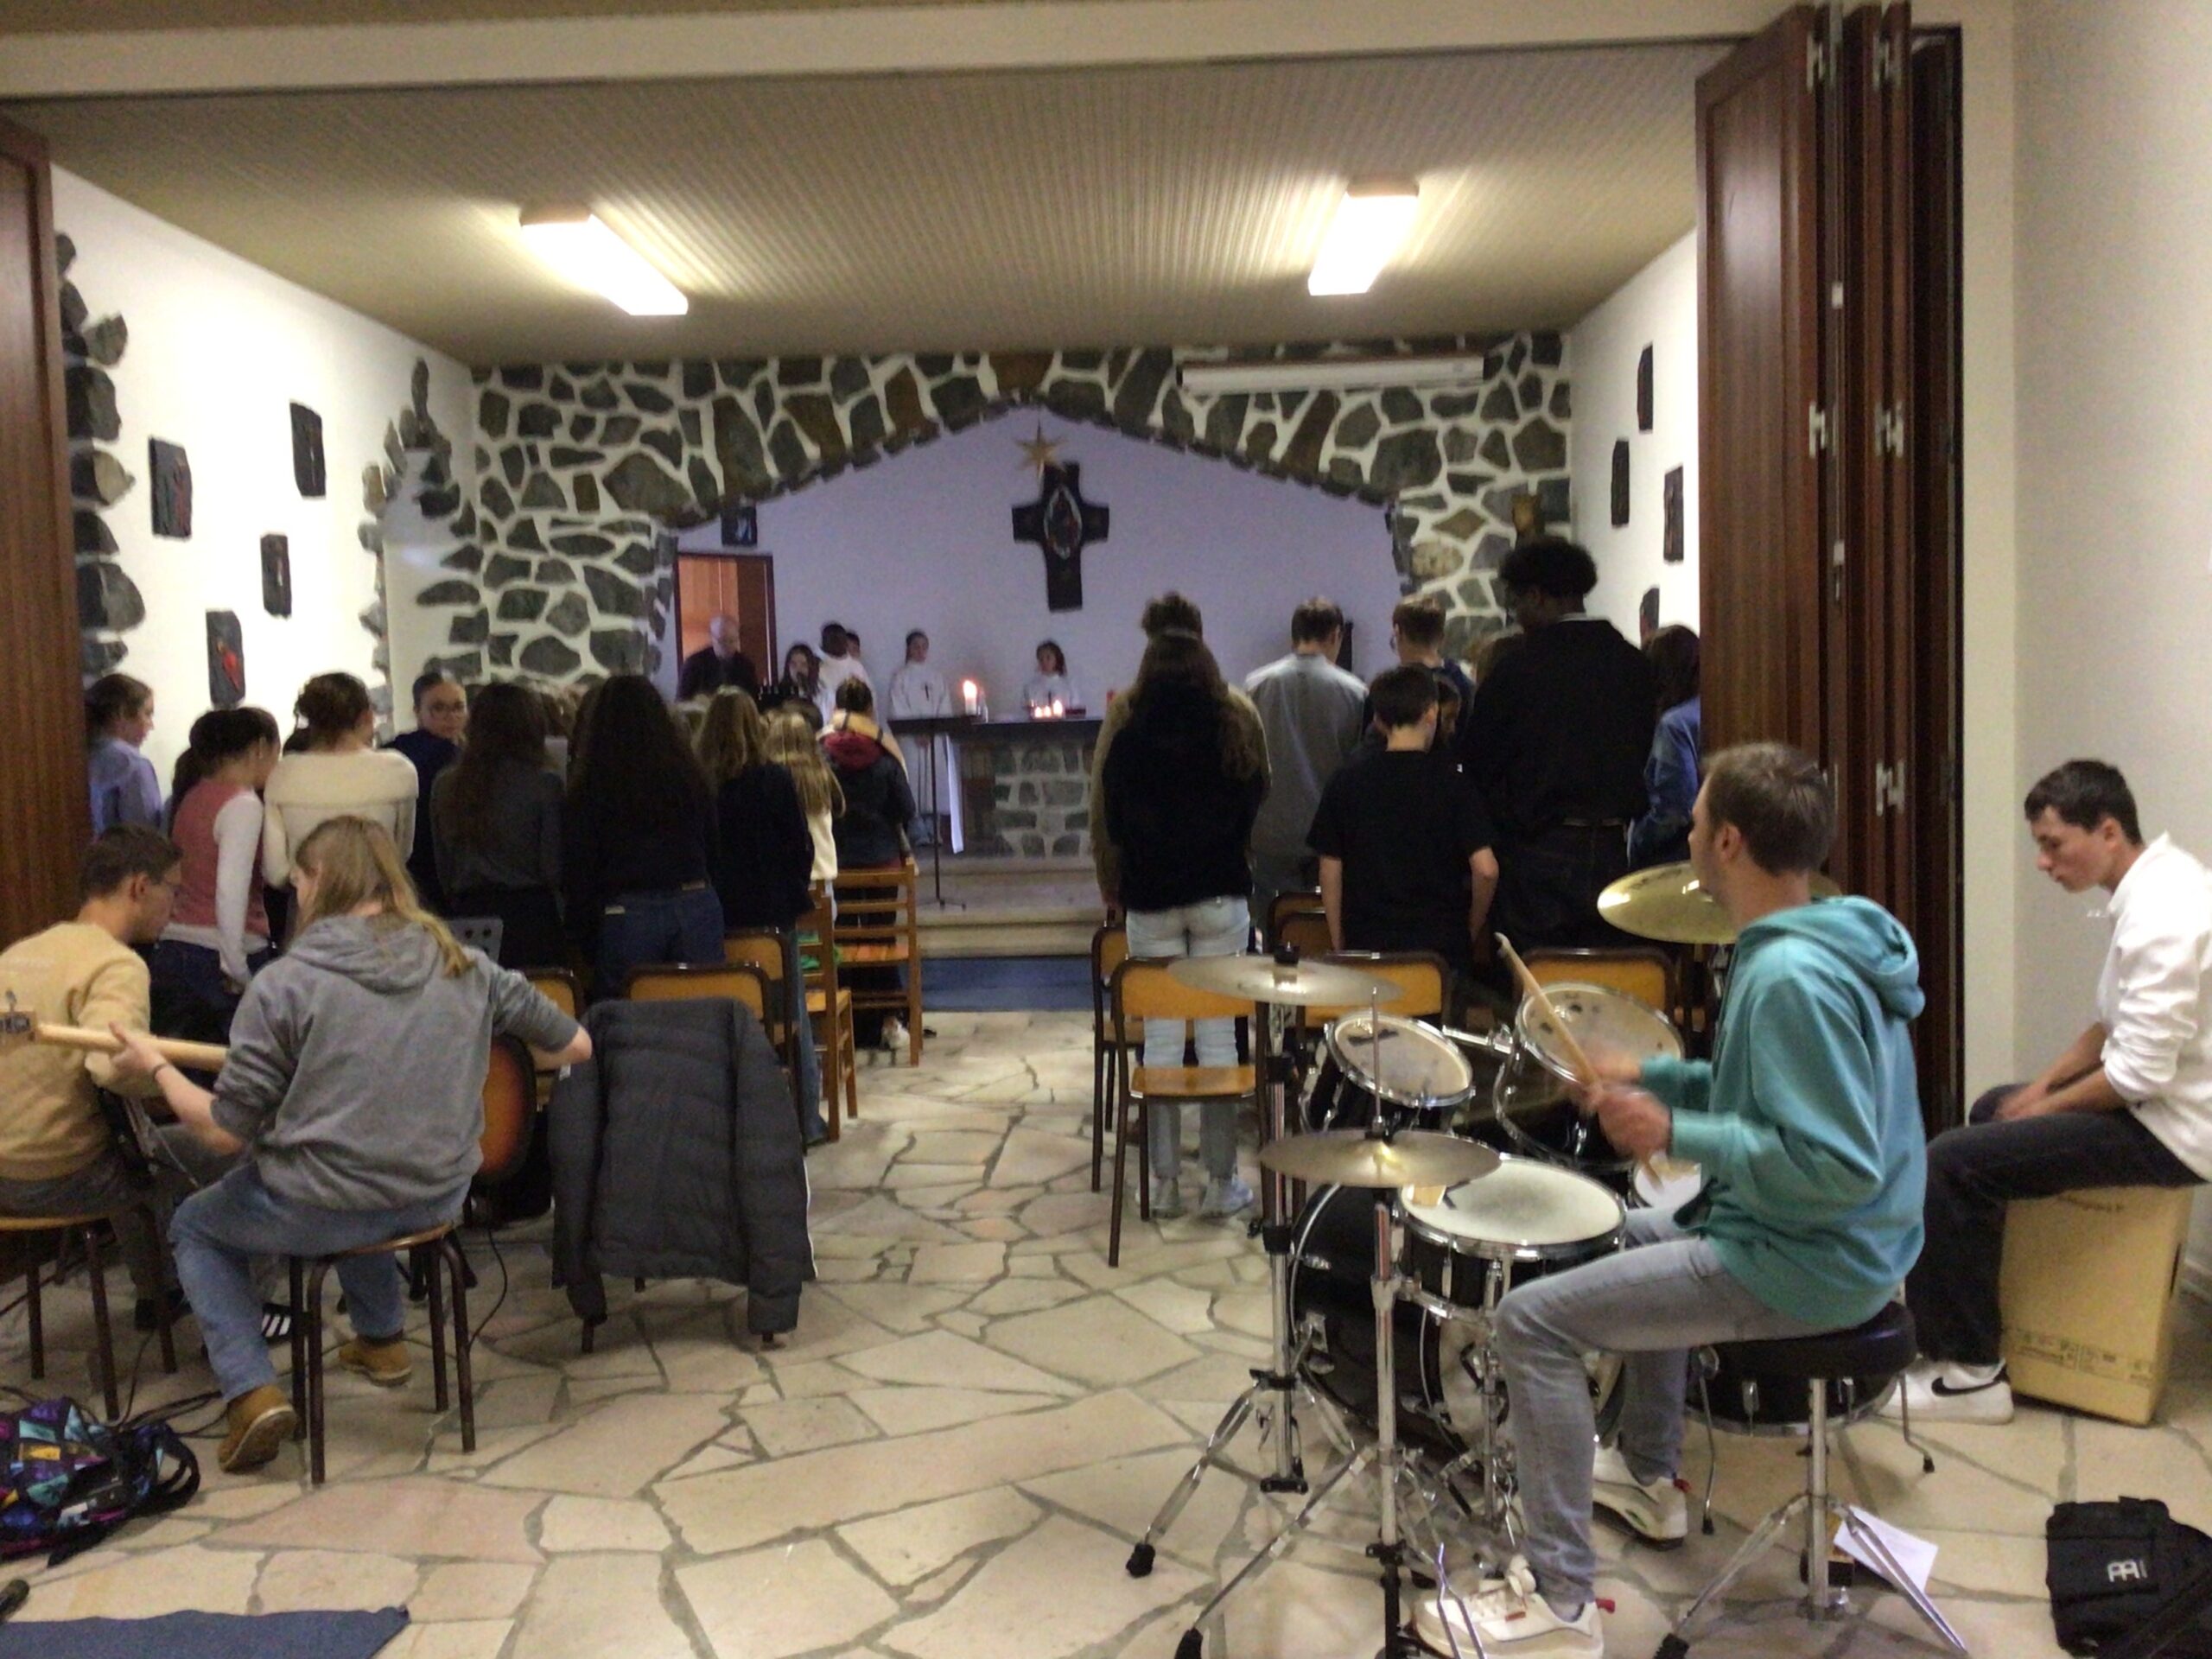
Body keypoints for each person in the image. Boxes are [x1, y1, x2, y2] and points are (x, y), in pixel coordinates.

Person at [1421, 745, 1927, 1656]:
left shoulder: (1787, 979)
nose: (1684, 835)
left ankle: (1561, 1603)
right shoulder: (1830, 932)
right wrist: (1648, 1075)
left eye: (1694, 822)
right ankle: (1650, 1475)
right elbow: (1764, 1090)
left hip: (1807, 1258)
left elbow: (1835, 1163)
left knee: (1532, 1323)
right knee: (1624, 1231)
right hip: (1832, 1239)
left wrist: (1672, 1133)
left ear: (1727, 842)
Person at [109, 817, 588, 1472]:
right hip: (435, 1198)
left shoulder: (284, 984)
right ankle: (383, 1338)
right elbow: (575, 1044)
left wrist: (156, 1068)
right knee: (360, 1155)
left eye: (299, 881)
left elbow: (222, 1129)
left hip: (324, 1202)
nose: (296, 895)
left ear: (321, 882)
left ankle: (251, 1392)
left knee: (198, 1225)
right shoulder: (466, 965)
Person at [1885, 760, 2211, 1426]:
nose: (2043, 861)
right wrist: (2034, 1090)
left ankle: (1969, 1372)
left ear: (2110, 831)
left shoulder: (2166, 914)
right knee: (1988, 1112)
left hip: (2174, 1130)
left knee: (1953, 1160)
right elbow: (2110, 1028)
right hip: (2153, 1102)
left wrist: (2042, 1108)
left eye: (2053, 844)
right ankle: (1975, 1323)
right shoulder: (2150, 887)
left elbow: (2136, 1076)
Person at [1100, 630, 1268, 1221]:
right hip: (1219, 890)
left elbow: (1114, 821)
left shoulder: (1129, 739)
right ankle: (1221, 1181)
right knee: (1220, 1033)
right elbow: (1255, 801)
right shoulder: (1231, 729)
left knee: (1165, 1038)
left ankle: (1164, 1182)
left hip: (1151, 895)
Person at [0, 827, 193, 1314]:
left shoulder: (19, 954)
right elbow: (114, 1069)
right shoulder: (115, 965)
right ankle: (235, 1315)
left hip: (3, 1173)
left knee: (130, 1141)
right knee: (229, 1151)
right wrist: (171, 1079)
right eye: (174, 889)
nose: (176, 905)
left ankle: (160, 1293)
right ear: (139, 888)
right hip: (60, 1177)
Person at [1459, 538, 1656, 953]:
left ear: (1537, 595)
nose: (1516, 615)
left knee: (1537, 987)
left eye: (1516, 601)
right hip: (1612, 850)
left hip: (1539, 853)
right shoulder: (1633, 664)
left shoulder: (1517, 669)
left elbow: (1478, 763)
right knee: (1602, 984)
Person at [1307, 666, 1497, 982]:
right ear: (1432, 713)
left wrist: (1340, 940)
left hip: (1368, 947)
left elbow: (1329, 867)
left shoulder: (1347, 780)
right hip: (1437, 955)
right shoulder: (1455, 784)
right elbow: (1487, 869)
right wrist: (1469, 931)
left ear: (1380, 721)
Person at [1090, 592, 1266, 916]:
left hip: (1148, 890)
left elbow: (1103, 804)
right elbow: (1260, 788)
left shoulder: (1126, 710)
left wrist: (1109, 878)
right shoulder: (1238, 708)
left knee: (1154, 969)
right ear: (1201, 641)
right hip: (1220, 885)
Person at [701, 689, 825, 1141]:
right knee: (792, 1017)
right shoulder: (773, 780)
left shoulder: (702, 785)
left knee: (725, 1018)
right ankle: (806, 1120)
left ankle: (734, 1125)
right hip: (772, 915)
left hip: (718, 917)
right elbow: (799, 846)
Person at [563, 673, 723, 995]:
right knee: (702, 1014)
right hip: (693, 898)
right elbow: (712, 842)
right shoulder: (687, 774)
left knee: (629, 1022)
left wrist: (584, 935)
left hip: (628, 908)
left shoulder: (593, 783)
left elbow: (581, 864)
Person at [149, 707, 283, 1039]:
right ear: (259, 749)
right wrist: (236, 965)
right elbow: (231, 889)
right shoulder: (243, 804)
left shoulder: (193, 796)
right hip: (220, 954)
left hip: (174, 944)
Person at [1243, 598, 1368, 920]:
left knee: (1275, 931)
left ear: (1294, 635)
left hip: (1271, 832)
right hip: (1329, 836)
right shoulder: (1355, 692)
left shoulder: (1256, 686)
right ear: (1335, 635)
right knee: (1324, 932)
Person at [430, 683, 565, 969]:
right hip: (531, 916)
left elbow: (444, 867)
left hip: (468, 916)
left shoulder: (446, 784)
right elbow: (553, 867)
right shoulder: (545, 784)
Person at [823, 679, 917, 1052]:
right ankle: (888, 1019)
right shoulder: (884, 753)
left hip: (840, 860)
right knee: (880, 937)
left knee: (843, 937)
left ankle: (852, 1023)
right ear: (870, 709)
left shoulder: (822, 753)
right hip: (881, 858)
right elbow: (906, 809)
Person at [263, 673, 419, 891]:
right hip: (378, 903)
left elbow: (276, 871)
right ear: (367, 716)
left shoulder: (283, 775)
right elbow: (401, 854)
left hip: (311, 908)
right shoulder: (399, 771)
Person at [384, 673, 467, 910]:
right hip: (431, 867)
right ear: (417, 711)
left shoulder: (390, 750)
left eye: (458, 707)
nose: (451, 717)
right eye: (438, 708)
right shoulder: (448, 756)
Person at [1629, 626, 1703, 869]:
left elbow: (1675, 807)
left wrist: (1636, 840)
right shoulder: (1713, 710)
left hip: (1673, 858)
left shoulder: (1674, 724)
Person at [765, 709, 842, 891]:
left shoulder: (770, 777)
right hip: (823, 873)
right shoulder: (822, 773)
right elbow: (838, 808)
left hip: (784, 877)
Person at [86, 672, 162, 835]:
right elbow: (146, 834)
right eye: (147, 714)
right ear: (120, 714)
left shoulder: (77, 754)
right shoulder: (132, 764)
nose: (151, 725)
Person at [677, 613, 761, 702]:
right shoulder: (694, 665)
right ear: (711, 637)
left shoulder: (746, 666)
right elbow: (682, 703)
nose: (727, 646)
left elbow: (753, 702)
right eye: (722, 641)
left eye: (732, 641)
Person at [889, 631, 950, 721]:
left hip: (936, 733)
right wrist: (917, 731)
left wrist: (935, 730)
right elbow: (898, 708)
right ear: (909, 649)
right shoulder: (900, 677)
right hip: (912, 733)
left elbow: (945, 706)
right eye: (916, 647)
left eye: (924, 647)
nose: (920, 650)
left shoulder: (937, 677)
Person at [816, 622, 871, 719]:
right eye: (832, 639)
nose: (836, 643)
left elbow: (870, 698)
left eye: (839, 639)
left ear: (845, 642)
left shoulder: (857, 667)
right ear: (824, 642)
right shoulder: (815, 667)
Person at [765, 642, 823, 714]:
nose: (798, 669)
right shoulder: (777, 694)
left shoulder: (822, 694)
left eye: (803, 665)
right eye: (793, 664)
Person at [1022, 640, 1079, 713]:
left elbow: (1075, 711)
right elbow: (1026, 711)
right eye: (1041, 659)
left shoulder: (1069, 685)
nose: (1044, 662)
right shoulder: (1030, 687)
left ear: (1057, 659)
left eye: (1048, 658)